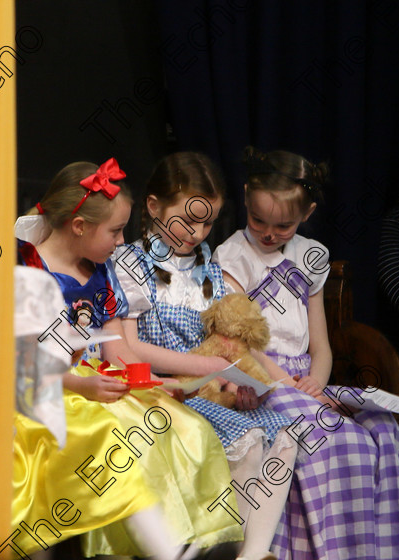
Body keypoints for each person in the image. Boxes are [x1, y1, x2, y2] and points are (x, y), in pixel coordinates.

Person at [13, 158, 243, 558]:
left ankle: (195, 535)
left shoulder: (100, 272)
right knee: (113, 436)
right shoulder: (30, 273)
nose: (121, 242)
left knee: (184, 426)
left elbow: (117, 350)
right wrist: (83, 384)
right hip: (47, 388)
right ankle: (153, 549)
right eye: (116, 231)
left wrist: (159, 383)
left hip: (93, 380)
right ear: (80, 227)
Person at [213, 146, 399, 560]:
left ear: (307, 213)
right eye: (259, 220)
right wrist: (293, 386)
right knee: (342, 444)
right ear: (245, 200)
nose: (269, 233)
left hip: (307, 380)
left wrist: (319, 382)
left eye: (283, 225)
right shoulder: (233, 257)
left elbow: (321, 345)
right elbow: (243, 343)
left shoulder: (310, 257)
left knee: (384, 435)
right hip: (259, 375)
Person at [112, 152, 297, 560]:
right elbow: (132, 348)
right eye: (188, 219)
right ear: (154, 206)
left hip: (213, 386)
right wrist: (208, 368)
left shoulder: (208, 268)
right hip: (166, 387)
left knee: (284, 434)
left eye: (208, 221)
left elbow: (234, 342)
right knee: (247, 439)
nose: (197, 232)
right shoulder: (130, 263)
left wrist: (245, 382)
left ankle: (255, 554)